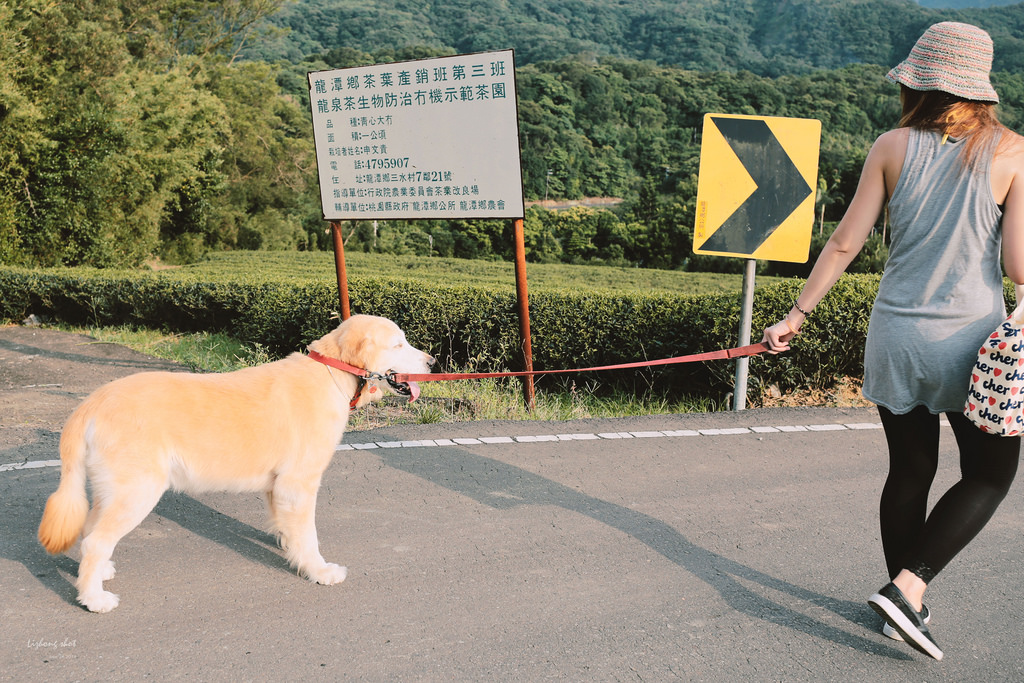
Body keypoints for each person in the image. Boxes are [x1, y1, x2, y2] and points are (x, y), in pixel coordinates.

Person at [762, 22, 1024, 661]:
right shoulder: (1013, 152)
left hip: (895, 337)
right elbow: (1018, 266)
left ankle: (903, 604)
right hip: (972, 346)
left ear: (919, 81)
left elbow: (845, 242)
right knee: (990, 476)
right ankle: (910, 588)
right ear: (980, 88)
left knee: (910, 470)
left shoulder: (891, 144)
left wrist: (796, 314)